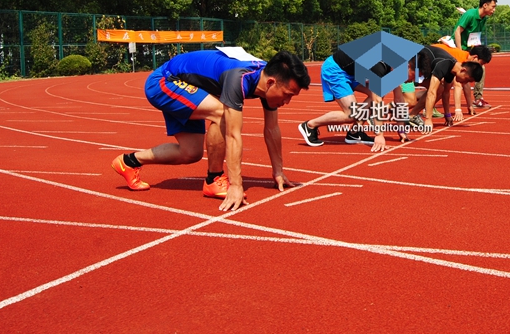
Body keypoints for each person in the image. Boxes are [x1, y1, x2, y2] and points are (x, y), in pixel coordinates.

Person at [111, 48, 310, 211]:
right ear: (271, 83)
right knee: (221, 113)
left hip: (193, 87)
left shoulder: (268, 82)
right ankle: (213, 179)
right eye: (287, 95)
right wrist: (236, 185)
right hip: (164, 81)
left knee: (191, 153)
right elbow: (233, 135)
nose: (287, 101)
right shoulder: (238, 78)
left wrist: (278, 171)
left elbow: (272, 129)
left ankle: (129, 162)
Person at [297, 48, 400, 152]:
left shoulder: (393, 66)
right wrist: (379, 135)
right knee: (352, 113)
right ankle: (310, 125)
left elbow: (398, 98)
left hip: (351, 72)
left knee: (380, 91)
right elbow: (377, 102)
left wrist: (401, 127)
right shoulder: (379, 67)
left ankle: (354, 133)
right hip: (335, 70)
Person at [404, 45, 484, 132]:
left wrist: (447, 114)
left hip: (417, 73)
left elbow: (446, 93)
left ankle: (411, 116)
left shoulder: (452, 69)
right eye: (467, 79)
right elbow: (431, 92)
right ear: (463, 70)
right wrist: (428, 119)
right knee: (410, 101)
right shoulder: (443, 64)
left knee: (440, 89)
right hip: (406, 67)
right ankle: (391, 109)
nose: (464, 83)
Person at [430, 43, 493, 122]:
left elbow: (465, 83)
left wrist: (469, 105)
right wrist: (458, 110)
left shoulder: (466, 60)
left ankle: (424, 106)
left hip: (423, 68)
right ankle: (427, 108)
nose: (480, 67)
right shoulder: (460, 60)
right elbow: (458, 85)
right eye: (481, 63)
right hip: (422, 64)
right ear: (475, 57)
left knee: (439, 89)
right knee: (440, 89)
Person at [454, 0, 497, 108]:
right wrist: (459, 51)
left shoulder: (483, 19)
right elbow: (457, 31)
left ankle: (477, 99)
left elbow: (475, 36)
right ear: (485, 5)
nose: (494, 10)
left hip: (470, 48)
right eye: (493, 6)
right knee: (451, 75)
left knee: (480, 67)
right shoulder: (470, 14)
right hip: (458, 48)